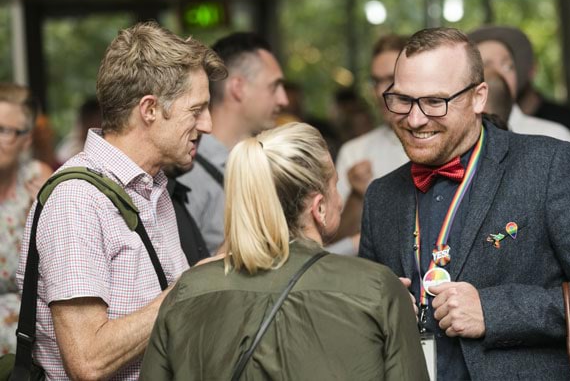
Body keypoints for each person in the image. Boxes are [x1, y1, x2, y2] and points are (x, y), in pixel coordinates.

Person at [358, 27, 570, 380]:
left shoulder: (547, 164)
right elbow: (365, 329)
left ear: (479, 97)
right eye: (402, 100)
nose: (415, 119)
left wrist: (493, 311)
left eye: (435, 102)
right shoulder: (381, 196)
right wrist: (381, 308)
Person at [16, 21, 227, 380]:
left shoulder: (153, 188)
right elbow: (87, 360)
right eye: (196, 110)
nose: (207, 125)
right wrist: (195, 283)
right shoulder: (78, 201)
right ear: (149, 110)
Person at [141, 122, 429, 380]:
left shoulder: (189, 290)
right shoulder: (376, 289)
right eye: (335, 187)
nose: (340, 201)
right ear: (319, 208)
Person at [178, 32, 288, 254]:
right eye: (273, 86)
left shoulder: (263, 163)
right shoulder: (188, 172)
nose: (283, 99)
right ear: (237, 88)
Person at [331, 35, 409, 252]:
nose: (381, 91)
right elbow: (334, 246)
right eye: (376, 81)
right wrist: (357, 196)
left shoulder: (442, 142)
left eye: (391, 78)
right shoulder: (355, 152)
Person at [469, 25, 570, 150]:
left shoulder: (555, 139)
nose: (499, 74)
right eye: (486, 66)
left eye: (508, 66)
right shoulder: (457, 142)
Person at [0, 83, 52, 354]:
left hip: (29, 344)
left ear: (27, 139)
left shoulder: (37, 179)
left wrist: (47, 217)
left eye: (5, 131)